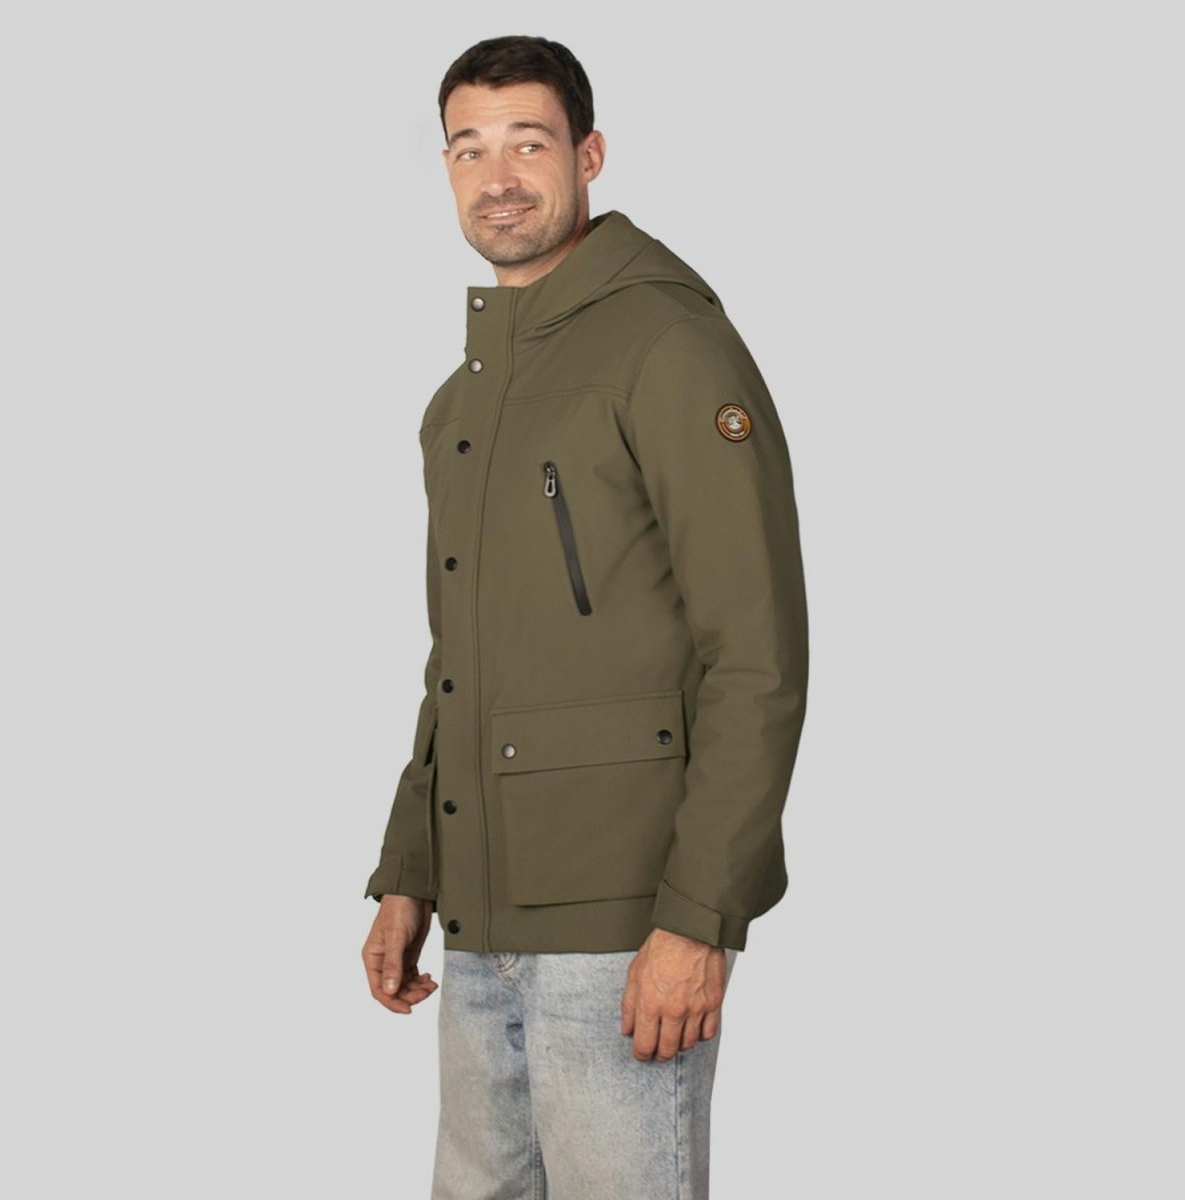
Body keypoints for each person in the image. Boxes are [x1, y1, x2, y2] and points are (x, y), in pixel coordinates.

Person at [360, 34, 809, 1199]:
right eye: (469, 148)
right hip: (481, 923)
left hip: (624, 929)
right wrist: (411, 869)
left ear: (589, 154)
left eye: (529, 142)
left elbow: (757, 654)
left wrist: (699, 916)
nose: (497, 176)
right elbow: (459, 658)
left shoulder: (668, 346)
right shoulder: (462, 401)